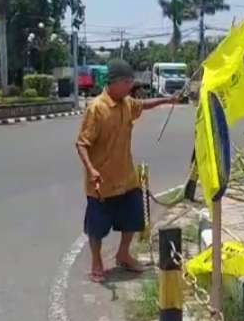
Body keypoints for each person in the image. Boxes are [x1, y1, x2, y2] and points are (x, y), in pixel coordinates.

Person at [76, 59, 179, 283]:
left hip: (126, 177)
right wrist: (92, 170)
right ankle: (96, 261)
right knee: (97, 227)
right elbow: (82, 144)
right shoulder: (97, 109)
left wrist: (168, 99)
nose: (131, 87)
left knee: (133, 218)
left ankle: (123, 254)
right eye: (127, 82)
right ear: (114, 83)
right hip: (101, 182)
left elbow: (144, 105)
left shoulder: (126, 103)